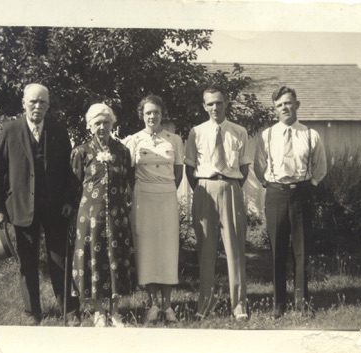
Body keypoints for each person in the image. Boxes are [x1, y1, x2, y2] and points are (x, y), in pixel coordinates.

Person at [0, 83, 80, 326]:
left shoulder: (59, 131)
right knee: (27, 262)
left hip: (54, 206)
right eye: (33, 102)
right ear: (24, 103)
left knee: (60, 260)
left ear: (48, 105)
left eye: (42, 102)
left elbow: (68, 171)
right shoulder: (10, 130)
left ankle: (69, 311)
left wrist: (70, 200)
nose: (37, 106)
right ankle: (32, 312)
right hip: (20, 206)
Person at [254, 86, 327, 319]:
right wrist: (272, 186)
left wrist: (308, 186)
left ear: (297, 104)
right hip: (276, 194)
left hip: (302, 194)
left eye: (288, 103)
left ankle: (302, 301)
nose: (284, 107)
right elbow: (259, 166)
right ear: (275, 109)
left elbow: (320, 167)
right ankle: (279, 303)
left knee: (301, 249)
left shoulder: (310, 134)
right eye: (279, 105)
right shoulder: (267, 135)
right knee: (277, 249)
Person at [184, 85, 250, 320]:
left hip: (231, 187)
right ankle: (204, 304)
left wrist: (230, 186)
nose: (214, 107)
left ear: (226, 103)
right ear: (204, 107)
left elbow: (244, 166)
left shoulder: (239, 131)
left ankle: (239, 304)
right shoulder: (196, 132)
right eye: (210, 103)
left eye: (218, 102)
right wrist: (204, 189)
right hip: (204, 189)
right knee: (206, 250)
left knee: (236, 249)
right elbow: (190, 167)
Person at [70, 103, 137, 328]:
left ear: (112, 125)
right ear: (90, 126)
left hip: (117, 215)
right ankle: (99, 312)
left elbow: (129, 180)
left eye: (106, 123)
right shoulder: (81, 152)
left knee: (116, 260)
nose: (102, 127)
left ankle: (115, 312)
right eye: (97, 123)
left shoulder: (122, 151)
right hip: (90, 217)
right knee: (96, 261)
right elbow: (73, 186)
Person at [125, 95, 184, 323]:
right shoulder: (134, 140)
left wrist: (165, 188)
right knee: (147, 249)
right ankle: (153, 304)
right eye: (148, 112)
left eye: (156, 112)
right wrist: (144, 188)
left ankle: (168, 306)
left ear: (162, 114)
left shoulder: (174, 140)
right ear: (142, 114)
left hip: (167, 196)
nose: (152, 116)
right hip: (144, 197)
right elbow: (130, 174)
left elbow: (178, 173)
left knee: (168, 249)